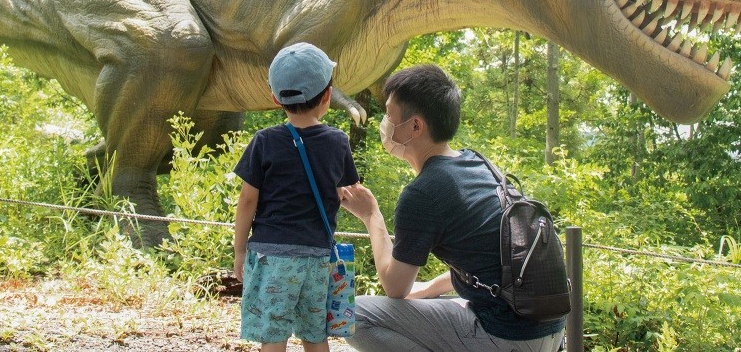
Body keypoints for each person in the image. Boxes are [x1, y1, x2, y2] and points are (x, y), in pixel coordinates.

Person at [339, 64, 566, 352]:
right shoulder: (478, 163)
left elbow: (395, 287)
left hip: (507, 336)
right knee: (425, 299)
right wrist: (428, 289)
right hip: (551, 330)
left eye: (388, 114)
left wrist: (371, 215)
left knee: (353, 315)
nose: (383, 122)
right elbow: (493, 261)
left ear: (415, 126)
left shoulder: (423, 192)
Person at [233, 42, 361, 352]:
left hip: (270, 254)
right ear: (328, 96)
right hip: (315, 255)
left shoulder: (264, 141)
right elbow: (345, 189)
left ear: (275, 97)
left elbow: (248, 201)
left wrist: (239, 252)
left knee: (273, 337)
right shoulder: (337, 141)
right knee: (315, 336)